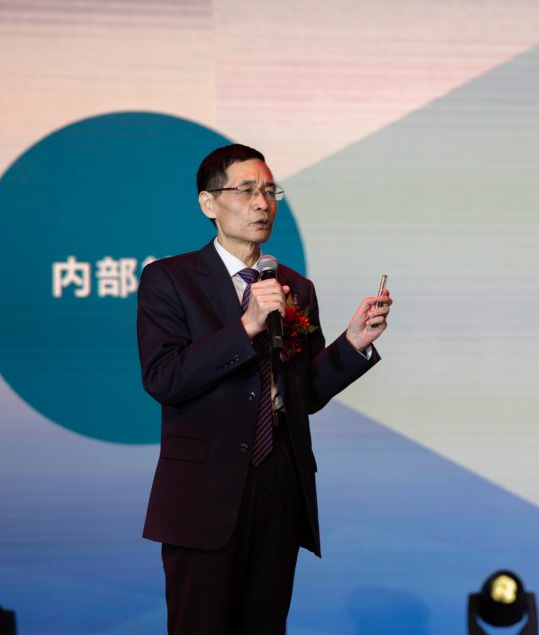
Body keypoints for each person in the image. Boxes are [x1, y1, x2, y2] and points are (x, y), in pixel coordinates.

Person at [137, 143, 391, 634]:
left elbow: (304, 394)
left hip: (279, 482)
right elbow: (164, 378)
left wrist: (352, 344)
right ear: (209, 203)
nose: (262, 203)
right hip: (205, 491)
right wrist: (247, 325)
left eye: (270, 191)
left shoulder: (295, 286)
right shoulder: (169, 280)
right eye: (247, 190)